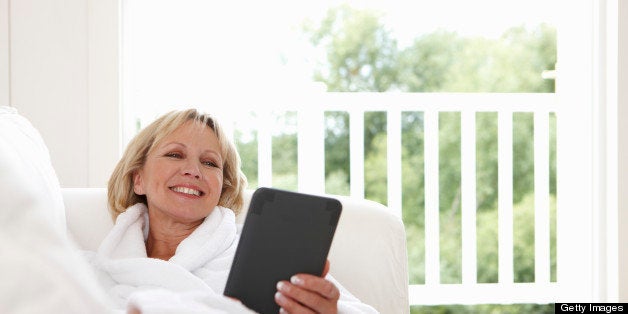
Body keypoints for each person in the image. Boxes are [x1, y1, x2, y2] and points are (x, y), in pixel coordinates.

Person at [86, 108, 378, 313]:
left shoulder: (266, 254)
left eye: (210, 163)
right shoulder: (90, 271)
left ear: (221, 188)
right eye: (175, 155)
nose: (193, 170)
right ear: (138, 178)